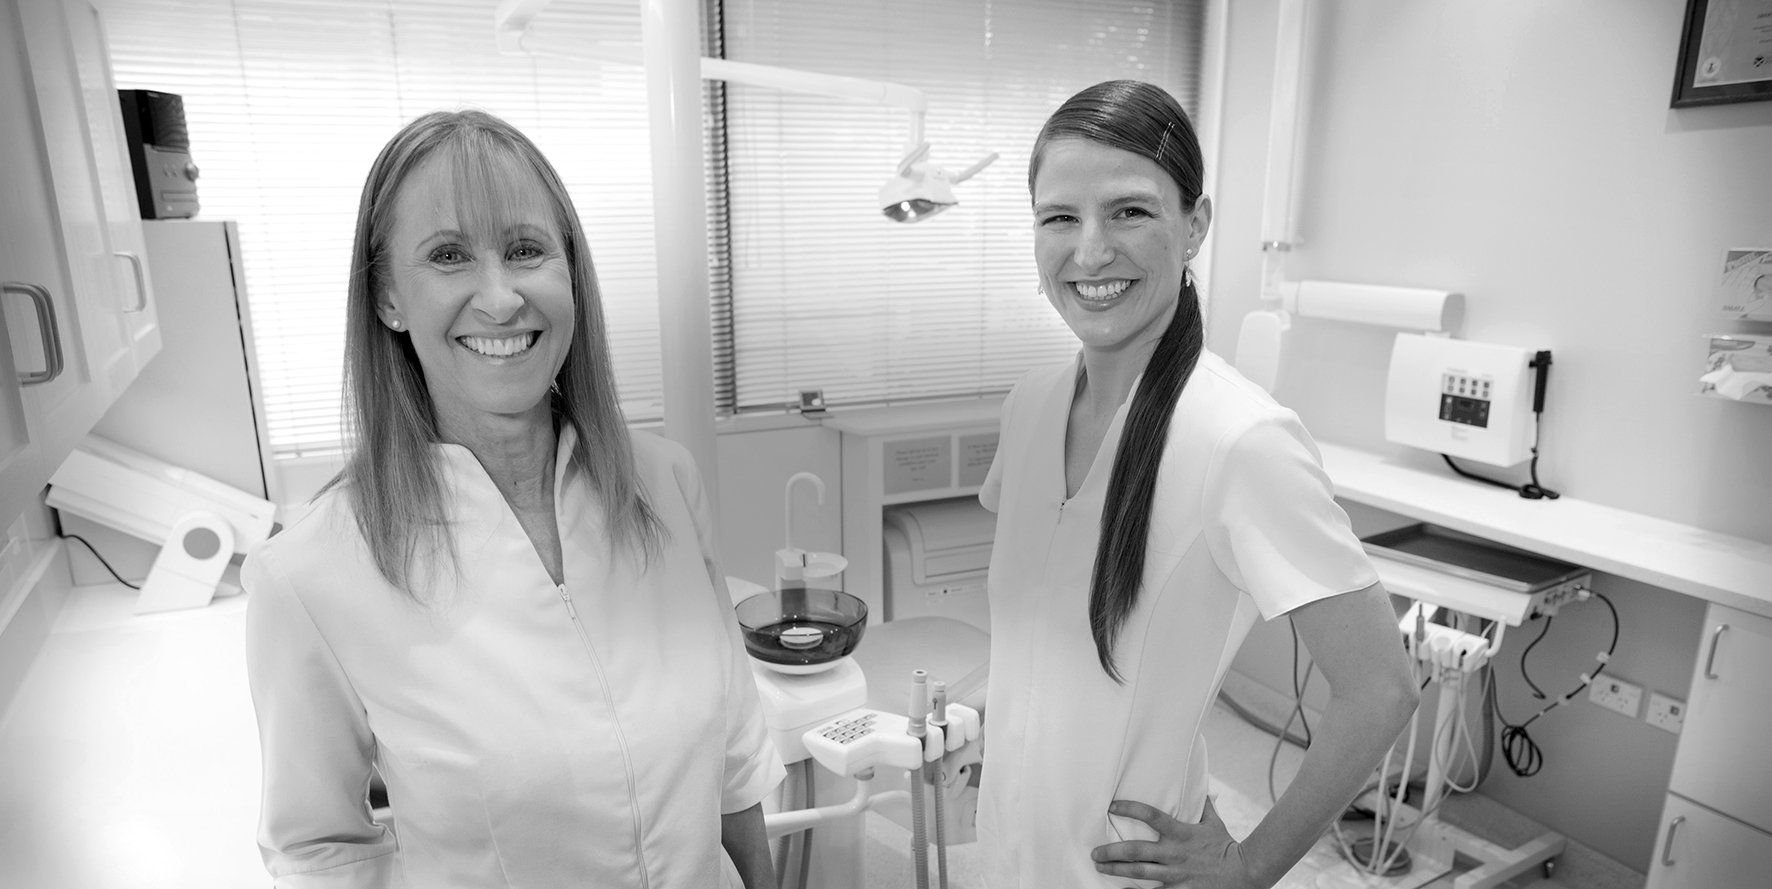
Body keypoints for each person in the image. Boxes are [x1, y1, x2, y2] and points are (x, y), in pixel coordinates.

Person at [242, 110, 782, 888]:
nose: (500, 299)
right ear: (389, 296)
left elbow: (734, 752)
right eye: (450, 256)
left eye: (525, 249)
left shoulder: (663, 482)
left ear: (569, 273)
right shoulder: (312, 574)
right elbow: (318, 850)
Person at [977, 80, 1420, 888]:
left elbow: (1381, 688)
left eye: (1130, 211)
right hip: (1005, 845)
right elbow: (1044, 645)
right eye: (1060, 218)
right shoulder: (1030, 406)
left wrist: (1250, 866)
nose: (1090, 251)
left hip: (1117, 868)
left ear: (1195, 226)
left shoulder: (1242, 440)